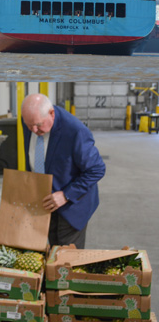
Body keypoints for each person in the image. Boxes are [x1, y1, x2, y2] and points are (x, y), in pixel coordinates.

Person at [21, 93, 106, 249]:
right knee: (53, 251)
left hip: (71, 206)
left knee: (67, 261)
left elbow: (97, 169)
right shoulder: (30, 120)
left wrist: (66, 195)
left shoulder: (75, 131)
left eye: (38, 125)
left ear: (52, 114)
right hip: (46, 201)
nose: (33, 130)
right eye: (29, 125)